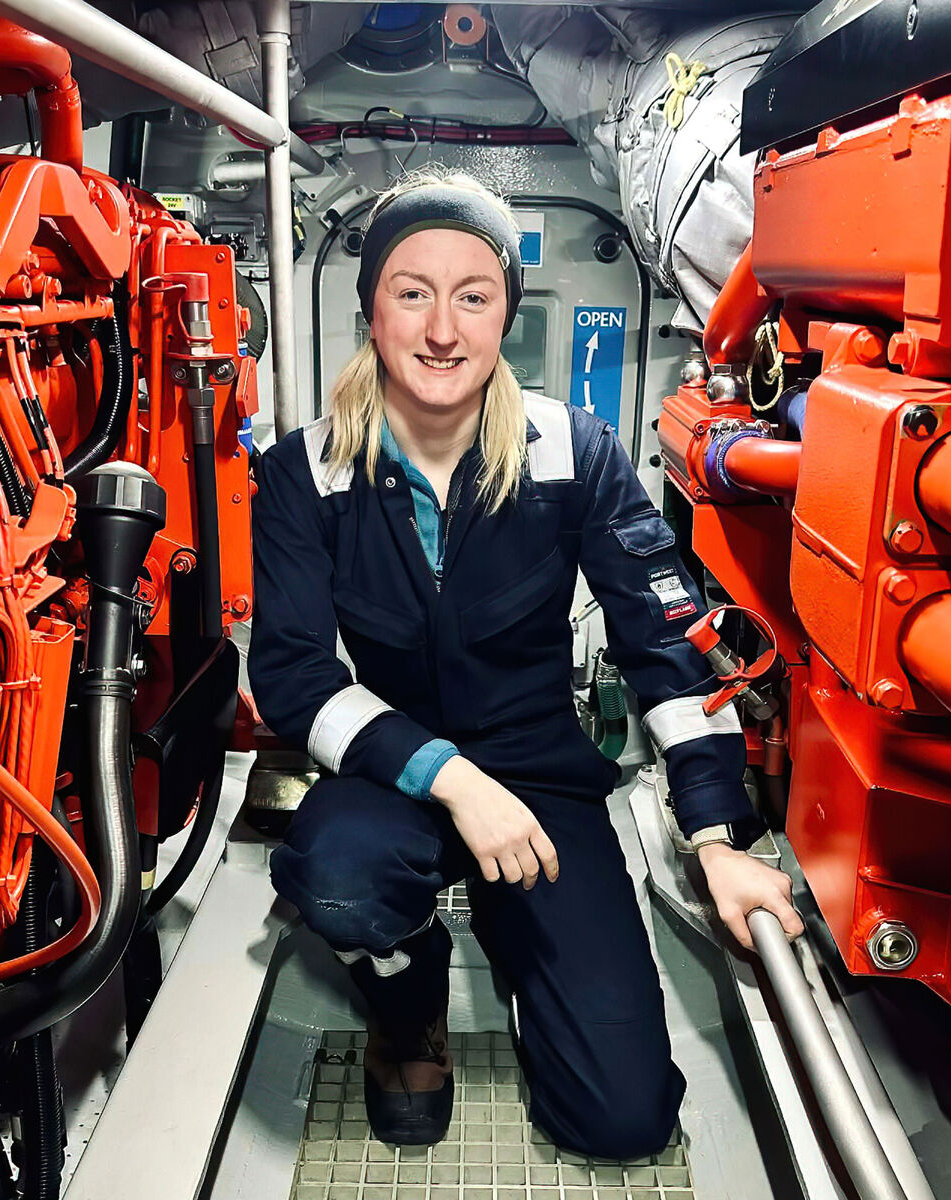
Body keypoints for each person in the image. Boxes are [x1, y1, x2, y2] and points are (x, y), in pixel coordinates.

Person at [249, 168, 803, 1157]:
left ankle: (520, 922)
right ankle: (406, 1002)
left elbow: (665, 642)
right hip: (390, 769)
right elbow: (293, 677)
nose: (441, 330)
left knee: (621, 1118)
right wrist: (453, 783)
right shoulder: (305, 471)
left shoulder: (573, 451)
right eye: (410, 292)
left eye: (474, 296)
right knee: (335, 878)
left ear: (504, 310)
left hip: (539, 770)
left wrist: (719, 835)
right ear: (370, 308)